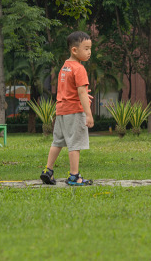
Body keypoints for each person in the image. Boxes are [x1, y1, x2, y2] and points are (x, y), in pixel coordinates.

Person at [40, 31, 96, 186]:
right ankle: (74, 176)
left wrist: (81, 96)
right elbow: (81, 91)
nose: (89, 52)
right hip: (74, 112)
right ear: (74, 50)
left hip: (62, 111)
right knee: (75, 144)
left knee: (57, 142)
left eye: (90, 48)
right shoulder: (79, 69)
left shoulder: (65, 67)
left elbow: (69, 90)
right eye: (86, 48)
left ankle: (48, 171)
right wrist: (88, 114)